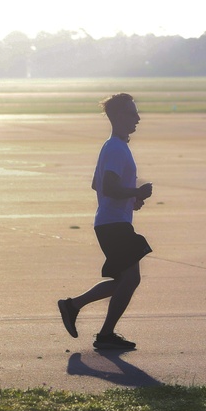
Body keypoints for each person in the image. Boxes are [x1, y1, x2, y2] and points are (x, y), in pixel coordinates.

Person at [58, 93, 152, 350]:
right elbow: (108, 187)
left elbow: (96, 184)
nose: (138, 118)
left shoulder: (114, 146)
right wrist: (136, 192)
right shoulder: (115, 148)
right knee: (130, 279)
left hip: (112, 222)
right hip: (113, 225)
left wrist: (130, 200)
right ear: (119, 116)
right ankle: (105, 333)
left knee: (124, 280)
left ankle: (73, 306)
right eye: (133, 113)